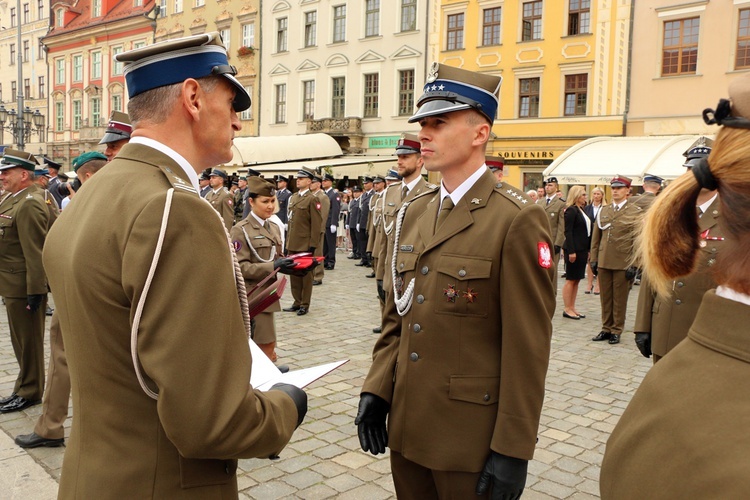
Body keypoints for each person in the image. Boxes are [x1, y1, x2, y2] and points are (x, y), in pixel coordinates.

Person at [41, 33, 306, 497]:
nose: (239, 124)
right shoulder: (175, 208)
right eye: (233, 102)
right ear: (193, 98)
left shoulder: (91, 196)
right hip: (161, 483)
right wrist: (286, 405)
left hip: (95, 476)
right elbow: (212, 423)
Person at [355, 62, 555, 499]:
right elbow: (398, 317)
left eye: (439, 123)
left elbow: (528, 346)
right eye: (423, 123)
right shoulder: (415, 211)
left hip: (469, 438)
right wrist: (377, 389)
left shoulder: (516, 219)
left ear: (479, 133)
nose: (424, 134)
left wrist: (513, 449)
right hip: (407, 427)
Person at [600, 75, 750, 498]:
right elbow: (656, 274)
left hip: (698, 332)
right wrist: (644, 323)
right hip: (683, 338)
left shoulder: (721, 215)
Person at [15, 152, 108, 449]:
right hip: (107, 294)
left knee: (62, 357)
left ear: (87, 176)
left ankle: (51, 427)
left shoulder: (89, 201)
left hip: (81, 291)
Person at [632, 145, 724, 363]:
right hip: (667, 324)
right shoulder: (667, 213)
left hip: (709, 329)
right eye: (692, 169)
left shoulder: (736, 217)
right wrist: (643, 325)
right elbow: (651, 271)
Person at [230, 176, 303, 364]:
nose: (270, 206)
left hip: (269, 295)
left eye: (272, 201)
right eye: (265, 202)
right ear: (251, 202)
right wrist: (274, 266)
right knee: (264, 344)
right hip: (253, 296)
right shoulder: (241, 230)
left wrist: (294, 267)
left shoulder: (273, 227)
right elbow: (241, 267)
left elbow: (276, 258)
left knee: (268, 344)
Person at [0, 149, 49, 414]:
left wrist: (36, 291)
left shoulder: (29, 201)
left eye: (6, 172)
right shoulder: (14, 198)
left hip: (23, 287)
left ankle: (30, 392)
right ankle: (22, 386)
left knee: (28, 342)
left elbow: (35, 252)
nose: (2, 177)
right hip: (12, 284)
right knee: (20, 342)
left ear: (23, 174)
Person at [590, 175, 642, 345]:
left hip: (623, 262)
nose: (615, 191)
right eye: (613, 188)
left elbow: (638, 240)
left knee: (619, 299)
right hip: (604, 260)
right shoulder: (604, 211)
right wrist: (594, 259)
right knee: (605, 297)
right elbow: (596, 238)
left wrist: (635, 264)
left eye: (619, 188)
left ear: (628, 191)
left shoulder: (634, 212)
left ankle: (616, 330)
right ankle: (606, 328)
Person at [284, 167, 323, 315]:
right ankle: (296, 301)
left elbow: (316, 224)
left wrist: (313, 245)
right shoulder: (294, 197)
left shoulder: (313, 199)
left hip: (305, 243)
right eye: (297, 178)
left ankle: (304, 304)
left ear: (309, 181)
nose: (298, 180)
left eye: (301, 178)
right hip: (293, 242)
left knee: (306, 276)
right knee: (294, 274)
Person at [561, 186, 591, 320]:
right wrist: (571, 251)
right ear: (577, 196)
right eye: (583, 195)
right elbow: (568, 232)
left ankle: (572, 306)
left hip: (582, 249)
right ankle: (567, 308)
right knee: (571, 279)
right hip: (574, 250)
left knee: (577, 279)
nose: (585, 197)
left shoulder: (582, 210)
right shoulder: (571, 210)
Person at [539, 176, 566, 290]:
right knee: (540, 269)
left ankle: (552, 292)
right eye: (546, 185)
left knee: (552, 270)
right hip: (540, 240)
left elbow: (561, 225)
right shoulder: (540, 202)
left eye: (550, 185)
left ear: (556, 187)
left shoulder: (560, 204)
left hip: (552, 241)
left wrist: (558, 243)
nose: (547, 187)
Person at [583, 187, 606, 295]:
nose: (596, 196)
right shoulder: (587, 208)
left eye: (598, 194)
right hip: (589, 236)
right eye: (594, 194)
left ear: (602, 195)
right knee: (589, 260)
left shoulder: (605, 208)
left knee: (600, 260)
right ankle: (589, 283)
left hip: (601, 236)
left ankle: (598, 285)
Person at [309, 173, 329, 285]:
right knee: (312, 253)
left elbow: (323, 215)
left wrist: (320, 230)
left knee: (317, 252)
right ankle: (312, 274)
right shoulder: (312, 196)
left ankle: (318, 276)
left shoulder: (323, 197)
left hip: (318, 230)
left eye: (313, 182)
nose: (311, 184)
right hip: (310, 229)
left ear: (318, 184)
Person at [364, 175, 386, 278]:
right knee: (372, 248)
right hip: (373, 225)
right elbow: (370, 213)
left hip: (380, 226)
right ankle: (374, 269)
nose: (376, 185)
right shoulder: (374, 197)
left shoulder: (386, 195)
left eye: (378, 183)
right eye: (375, 184)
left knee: (378, 249)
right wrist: (368, 226)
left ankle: (379, 271)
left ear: (383, 183)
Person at [205, 167, 235, 232]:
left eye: (214, 177)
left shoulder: (226, 195)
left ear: (221, 180)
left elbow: (228, 218)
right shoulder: (208, 194)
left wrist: (226, 235)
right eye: (210, 178)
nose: (211, 179)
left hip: (218, 230)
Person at [321, 173, 341, 270]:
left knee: (331, 243)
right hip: (324, 223)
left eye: (325, 181)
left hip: (330, 222)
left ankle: (331, 261)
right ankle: (325, 260)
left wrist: (334, 223)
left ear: (330, 182)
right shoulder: (324, 194)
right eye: (323, 181)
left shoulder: (334, 194)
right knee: (324, 244)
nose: (323, 182)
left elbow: (335, 210)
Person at [356, 177, 374, 267]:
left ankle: (370, 259)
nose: (365, 185)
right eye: (364, 183)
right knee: (362, 241)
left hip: (369, 222)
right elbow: (360, 209)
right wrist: (358, 222)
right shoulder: (363, 195)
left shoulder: (374, 194)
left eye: (367, 183)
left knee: (369, 242)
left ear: (371, 184)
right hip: (362, 221)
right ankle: (364, 259)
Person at [348, 185, 362, 259]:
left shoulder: (361, 201)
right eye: (354, 192)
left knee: (358, 239)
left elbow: (360, 213)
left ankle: (358, 253)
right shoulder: (352, 201)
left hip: (357, 223)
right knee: (353, 239)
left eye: (357, 192)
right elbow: (349, 213)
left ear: (360, 192)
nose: (355, 194)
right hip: (352, 223)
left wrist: (358, 222)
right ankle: (354, 251)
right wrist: (347, 223)